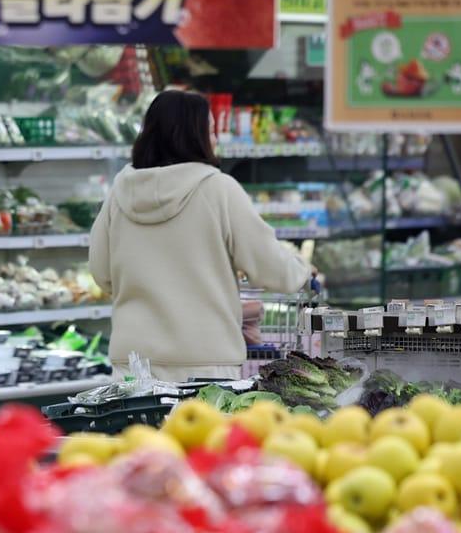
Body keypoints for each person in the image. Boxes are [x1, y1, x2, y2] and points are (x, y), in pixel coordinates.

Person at [89, 89, 311, 383]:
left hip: (133, 367)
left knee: (138, 431)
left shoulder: (119, 193)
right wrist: (302, 270)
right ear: (194, 136)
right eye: (211, 129)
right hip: (205, 367)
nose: (216, 139)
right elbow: (271, 268)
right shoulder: (218, 189)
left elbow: (101, 272)